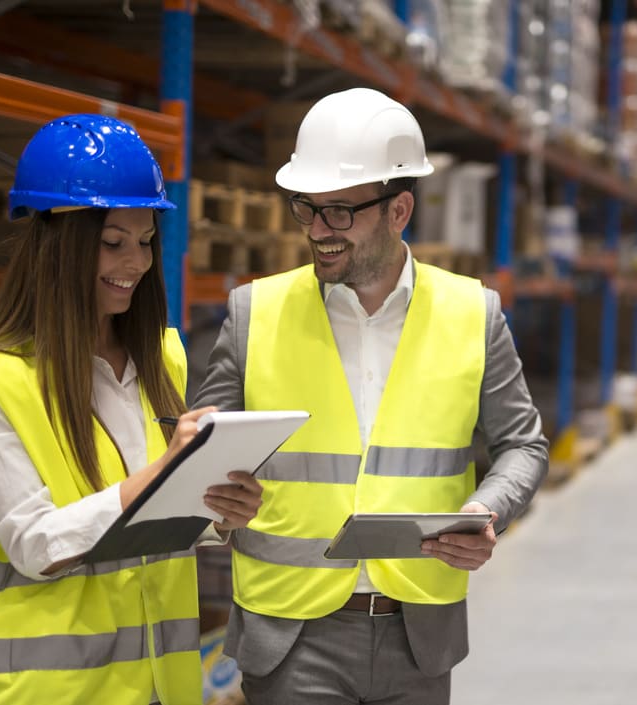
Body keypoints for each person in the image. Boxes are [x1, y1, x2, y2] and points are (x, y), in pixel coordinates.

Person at [194, 87, 549, 704]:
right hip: (291, 634)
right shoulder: (255, 312)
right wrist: (207, 487)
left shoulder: (473, 314)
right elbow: (200, 453)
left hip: (419, 631)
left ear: (399, 209)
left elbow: (523, 442)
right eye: (307, 209)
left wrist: (488, 512)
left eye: (341, 212)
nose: (319, 231)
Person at [0, 113, 264, 705]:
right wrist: (162, 475)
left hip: (161, 686)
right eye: (112, 243)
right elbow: (35, 546)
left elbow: (154, 520)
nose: (135, 263)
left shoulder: (163, 355)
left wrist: (217, 512)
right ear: (58, 244)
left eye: (144, 242)